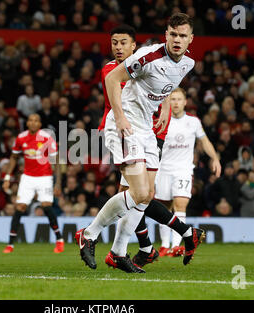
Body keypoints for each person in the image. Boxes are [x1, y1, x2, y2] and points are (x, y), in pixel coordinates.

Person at [76, 13, 205, 272]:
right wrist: (121, 117)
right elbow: (113, 79)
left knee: (145, 197)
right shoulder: (148, 55)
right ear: (165, 35)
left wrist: (166, 108)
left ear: (190, 39)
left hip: (146, 128)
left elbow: (164, 88)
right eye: (173, 34)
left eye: (182, 36)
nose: (177, 40)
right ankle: (88, 234)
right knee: (137, 193)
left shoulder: (187, 64)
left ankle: (118, 253)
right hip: (124, 125)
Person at [97, 25, 172, 270]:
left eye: (123, 43)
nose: (118, 47)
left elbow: (162, 83)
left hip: (145, 135)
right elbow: (127, 101)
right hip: (124, 133)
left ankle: (140, 248)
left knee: (136, 194)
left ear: (133, 46)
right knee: (136, 193)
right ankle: (94, 237)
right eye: (114, 43)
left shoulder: (146, 65)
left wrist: (167, 105)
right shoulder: (110, 70)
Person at [156, 88, 221, 257]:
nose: (175, 102)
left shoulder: (193, 122)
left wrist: (215, 158)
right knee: (164, 207)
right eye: (172, 99)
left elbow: (204, 141)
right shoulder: (163, 119)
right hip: (162, 169)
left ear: (185, 102)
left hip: (183, 170)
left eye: (178, 99)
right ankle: (164, 246)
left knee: (180, 204)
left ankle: (176, 246)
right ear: (167, 102)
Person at [2, 113, 64, 254]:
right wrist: (7, 177)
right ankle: (10, 244)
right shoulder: (21, 138)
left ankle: (59, 240)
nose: (33, 122)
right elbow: (13, 157)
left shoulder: (47, 138)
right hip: (27, 177)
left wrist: (58, 183)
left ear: (40, 124)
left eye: (36, 120)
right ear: (27, 123)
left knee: (46, 206)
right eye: (31, 120)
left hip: (45, 177)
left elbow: (57, 161)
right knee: (20, 207)